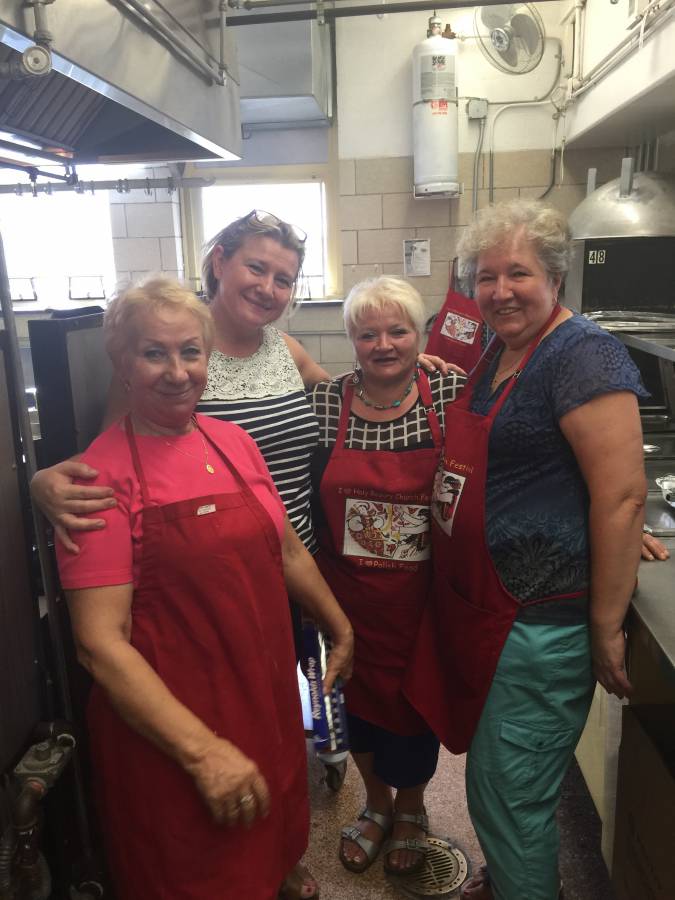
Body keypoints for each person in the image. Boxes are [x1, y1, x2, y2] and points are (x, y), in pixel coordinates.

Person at [55, 277, 353, 900]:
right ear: (121, 363)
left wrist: (338, 623)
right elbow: (99, 645)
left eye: (190, 351)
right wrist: (201, 753)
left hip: (261, 697)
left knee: (273, 829)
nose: (177, 372)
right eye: (153, 353)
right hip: (173, 723)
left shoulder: (233, 440)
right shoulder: (96, 481)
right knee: (195, 871)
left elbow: (286, 550)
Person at [406, 199, 649, 900]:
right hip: (490, 610)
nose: (499, 291)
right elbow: (568, 477)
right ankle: (512, 880)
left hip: (538, 620)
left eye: (518, 273)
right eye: (486, 276)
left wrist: (605, 625)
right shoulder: (502, 349)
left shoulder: (581, 353)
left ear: (555, 277)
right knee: (499, 781)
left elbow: (620, 495)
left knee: (512, 793)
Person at [309, 276, 465, 877]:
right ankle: (376, 802)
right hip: (347, 600)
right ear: (350, 339)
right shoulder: (327, 402)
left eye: (397, 331)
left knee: (417, 707)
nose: (383, 345)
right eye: (367, 333)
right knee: (358, 708)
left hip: (424, 601)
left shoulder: (448, 392)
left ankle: (412, 807)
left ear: (419, 334)